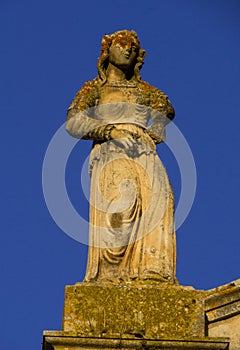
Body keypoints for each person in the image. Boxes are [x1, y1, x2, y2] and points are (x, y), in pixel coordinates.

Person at [66, 30, 177, 284]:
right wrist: (110, 131)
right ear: (108, 51)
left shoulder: (143, 89)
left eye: (133, 47)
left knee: (157, 209)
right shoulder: (95, 88)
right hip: (112, 152)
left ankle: (152, 274)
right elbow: (74, 121)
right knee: (120, 209)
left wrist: (156, 128)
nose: (128, 50)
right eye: (122, 44)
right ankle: (109, 276)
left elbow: (165, 107)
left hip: (146, 155)